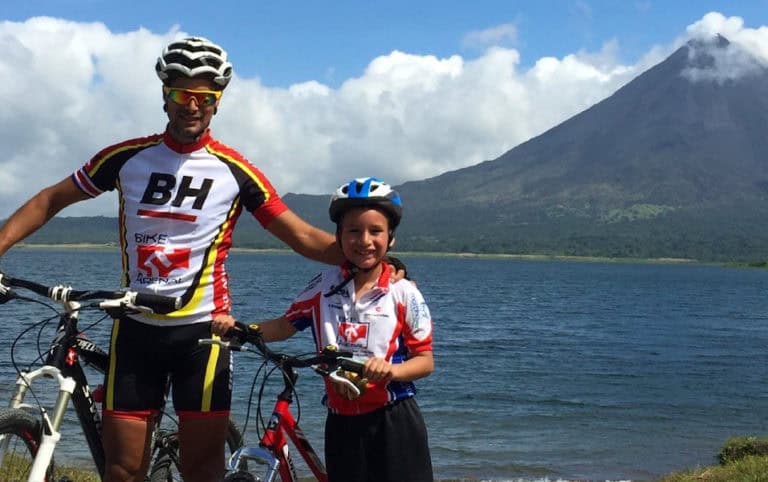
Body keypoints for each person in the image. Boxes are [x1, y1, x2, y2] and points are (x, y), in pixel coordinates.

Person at [0, 36, 353, 482]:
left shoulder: (235, 171)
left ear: (217, 102)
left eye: (204, 96)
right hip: (134, 331)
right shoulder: (126, 158)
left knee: (201, 471)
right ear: (165, 97)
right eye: (180, 94)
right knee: (123, 470)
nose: (192, 105)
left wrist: (366, 260)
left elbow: (301, 235)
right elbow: (50, 199)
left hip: (202, 338)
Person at [213, 177, 435, 482]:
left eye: (376, 231)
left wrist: (391, 371)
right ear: (339, 236)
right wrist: (239, 328)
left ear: (391, 238)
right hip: (341, 421)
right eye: (353, 231)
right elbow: (283, 326)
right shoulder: (323, 286)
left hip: (393, 421)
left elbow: (425, 361)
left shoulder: (404, 293)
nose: (365, 241)